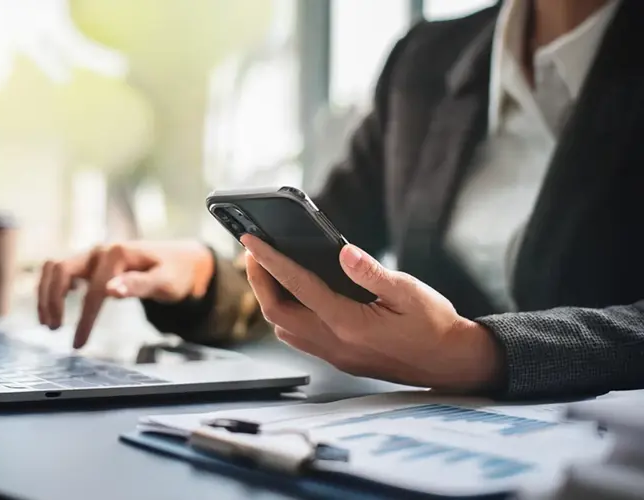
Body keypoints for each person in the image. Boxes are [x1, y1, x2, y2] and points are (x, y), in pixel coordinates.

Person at [38, 0, 644, 399]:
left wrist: (477, 354)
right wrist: (202, 276)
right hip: (422, 445)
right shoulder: (426, 61)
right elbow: (331, 253)